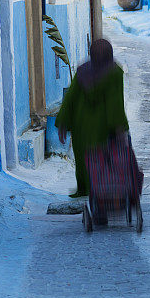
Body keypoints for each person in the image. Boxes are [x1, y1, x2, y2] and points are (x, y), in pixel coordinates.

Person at [56, 38, 129, 198]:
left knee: (84, 159)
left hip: (81, 125)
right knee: (102, 160)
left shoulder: (83, 71)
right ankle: (101, 192)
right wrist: (119, 126)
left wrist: (63, 122)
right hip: (102, 127)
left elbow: (71, 98)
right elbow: (114, 103)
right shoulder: (115, 73)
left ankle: (84, 189)